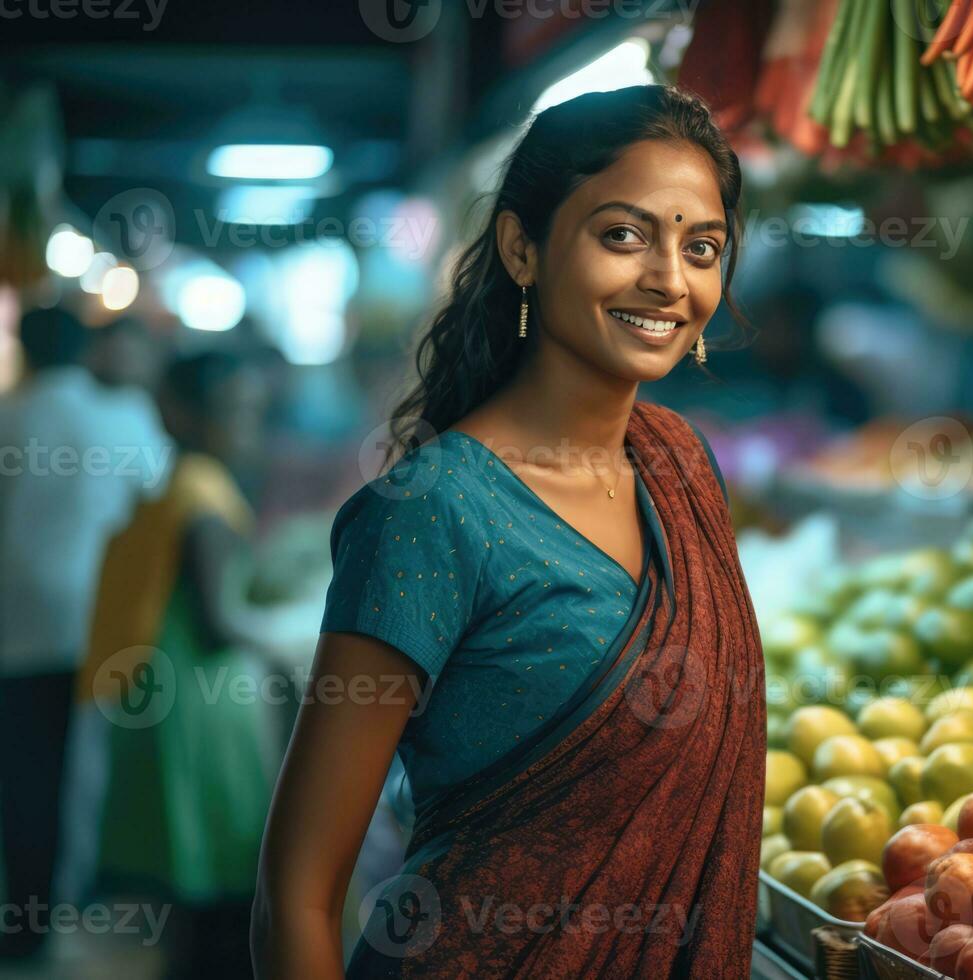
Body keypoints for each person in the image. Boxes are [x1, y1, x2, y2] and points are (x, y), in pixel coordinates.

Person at [252, 85, 765, 979]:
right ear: (522, 247)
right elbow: (297, 893)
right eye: (623, 235)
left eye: (703, 248)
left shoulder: (684, 469)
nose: (670, 280)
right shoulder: (433, 513)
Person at [83, 351, 276, 979]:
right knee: (226, 871)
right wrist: (301, 640)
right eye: (234, 413)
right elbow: (222, 620)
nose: (248, 429)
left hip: (161, 689)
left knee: (183, 892)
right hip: (206, 702)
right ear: (186, 415)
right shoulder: (206, 488)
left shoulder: (174, 479)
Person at [0, 305, 172, 959]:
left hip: (17, 624)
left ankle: (27, 922)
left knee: (25, 775)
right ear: (88, 349)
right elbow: (162, 493)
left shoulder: (9, 417)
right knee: (88, 768)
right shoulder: (124, 417)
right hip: (106, 617)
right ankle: (77, 904)